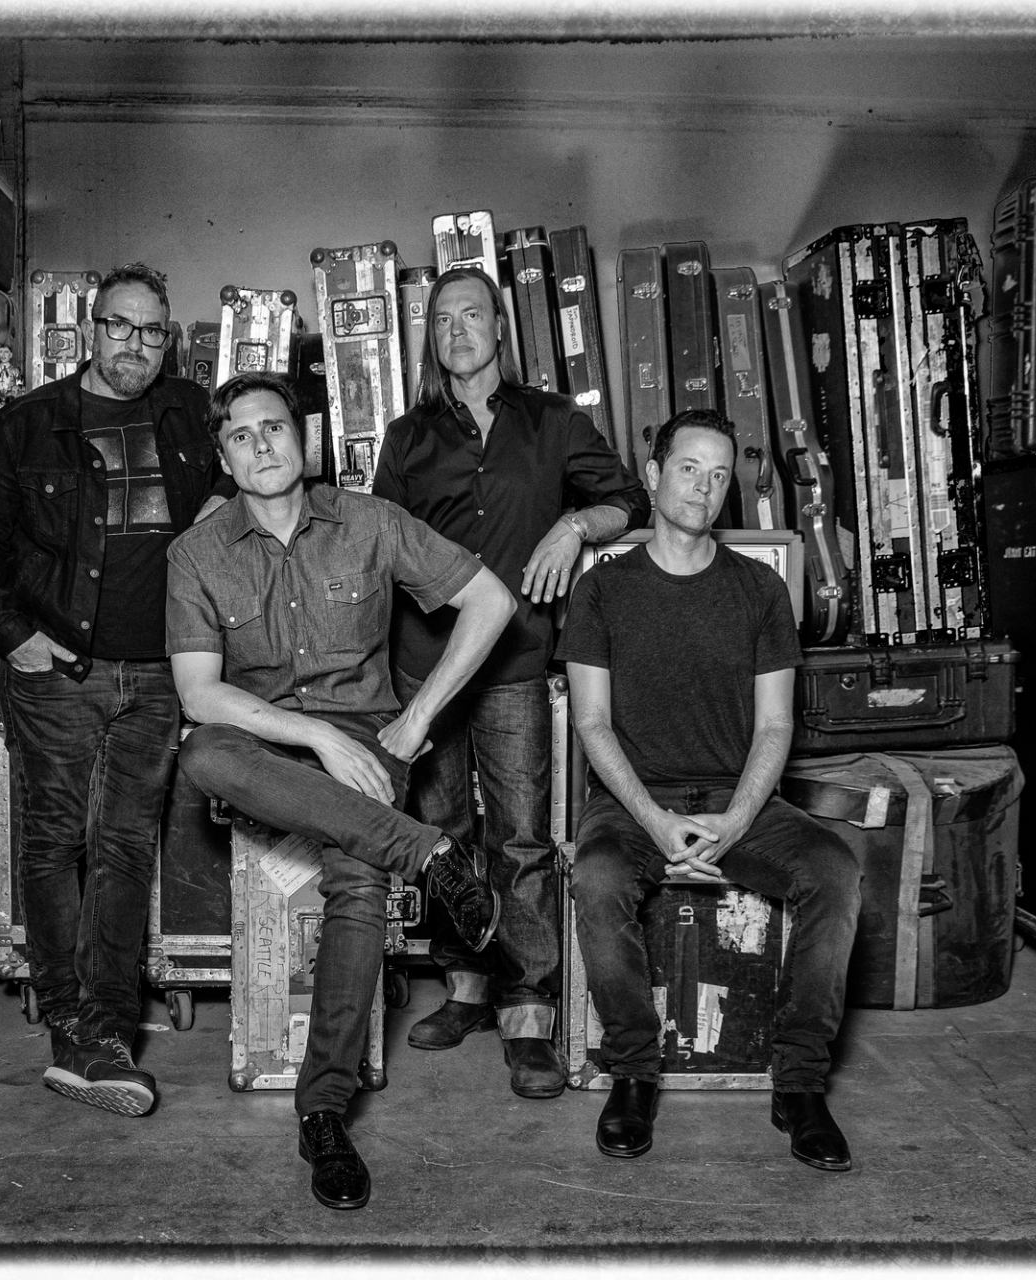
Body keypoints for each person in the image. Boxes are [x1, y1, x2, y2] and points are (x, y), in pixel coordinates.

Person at [167, 371, 515, 1211]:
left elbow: (492, 599)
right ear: (224, 457)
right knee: (201, 753)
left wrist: (415, 720)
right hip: (263, 745)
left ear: (304, 439)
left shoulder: (369, 521)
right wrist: (312, 734)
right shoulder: (197, 553)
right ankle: (429, 855)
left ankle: (321, 1112)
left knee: (357, 880)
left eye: (274, 428)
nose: (261, 446)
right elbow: (198, 695)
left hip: (369, 744)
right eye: (241, 436)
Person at [0, 263, 229, 1119]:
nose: (134, 346)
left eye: (151, 332)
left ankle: (103, 1025)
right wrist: (18, 638)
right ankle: (71, 1019)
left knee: (124, 847)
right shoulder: (28, 426)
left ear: (167, 338)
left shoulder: (189, 409)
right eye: (119, 326)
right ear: (89, 328)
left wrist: (221, 506)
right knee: (53, 840)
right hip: (57, 667)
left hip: (156, 673)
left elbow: (249, 469)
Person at [555, 408, 863, 1171]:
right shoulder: (602, 591)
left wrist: (733, 822)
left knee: (836, 870)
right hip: (634, 802)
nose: (703, 485)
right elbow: (592, 724)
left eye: (719, 473)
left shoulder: (759, 590)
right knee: (595, 879)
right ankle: (633, 1071)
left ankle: (798, 1085)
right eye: (688, 467)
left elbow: (773, 729)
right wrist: (657, 822)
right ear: (654, 476)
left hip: (740, 798)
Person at [374, 265, 648, 1099]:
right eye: (443, 318)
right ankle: (469, 986)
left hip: (517, 663)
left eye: (473, 314)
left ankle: (528, 1009)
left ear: (500, 327)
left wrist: (572, 523)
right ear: (432, 338)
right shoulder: (407, 436)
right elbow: (379, 544)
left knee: (522, 836)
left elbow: (627, 501)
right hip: (426, 664)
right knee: (445, 836)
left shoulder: (554, 421)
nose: (458, 329)